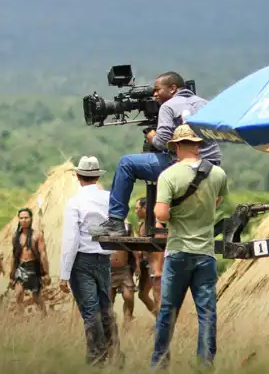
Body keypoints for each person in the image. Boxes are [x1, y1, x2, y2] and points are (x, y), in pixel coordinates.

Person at [89, 71, 222, 237]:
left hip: (182, 166)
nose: (155, 94)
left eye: (158, 89)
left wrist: (152, 137)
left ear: (173, 88)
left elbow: (161, 142)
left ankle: (115, 221)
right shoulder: (205, 103)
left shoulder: (168, 106)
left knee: (126, 163)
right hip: (211, 165)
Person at [150, 124, 229, 370]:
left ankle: (160, 364)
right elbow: (216, 202)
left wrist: (162, 212)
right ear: (199, 145)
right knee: (206, 314)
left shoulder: (169, 176)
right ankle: (205, 365)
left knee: (168, 313)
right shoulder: (217, 174)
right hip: (205, 253)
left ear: (175, 147)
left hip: (178, 252)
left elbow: (161, 214)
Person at [59, 156, 123, 367]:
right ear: (97, 176)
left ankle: (96, 359)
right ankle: (115, 354)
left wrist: (64, 274)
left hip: (82, 261)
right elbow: (118, 226)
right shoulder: (110, 198)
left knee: (90, 312)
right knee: (106, 308)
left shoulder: (74, 202)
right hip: (104, 259)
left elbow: (71, 239)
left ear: (78, 177)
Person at [9, 208, 50, 317]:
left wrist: (46, 273)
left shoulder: (37, 235)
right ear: (18, 219)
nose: (24, 220)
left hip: (34, 268)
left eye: (26, 217)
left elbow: (43, 254)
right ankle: (21, 318)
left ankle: (44, 316)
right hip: (20, 268)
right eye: (21, 218)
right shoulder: (15, 237)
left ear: (31, 219)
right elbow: (14, 256)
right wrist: (11, 275)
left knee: (36, 297)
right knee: (18, 294)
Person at [133, 197, 165, 316]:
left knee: (158, 295)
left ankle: (163, 324)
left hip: (156, 263)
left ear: (145, 208)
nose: (135, 211)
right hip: (147, 263)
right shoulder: (143, 224)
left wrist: (158, 267)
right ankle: (159, 319)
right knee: (142, 294)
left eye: (137, 208)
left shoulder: (156, 224)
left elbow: (161, 246)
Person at [110, 249, 137, 328]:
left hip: (124, 269)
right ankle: (109, 323)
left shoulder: (127, 236)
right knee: (109, 300)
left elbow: (135, 250)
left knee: (128, 296)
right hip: (109, 269)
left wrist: (137, 266)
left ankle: (128, 319)